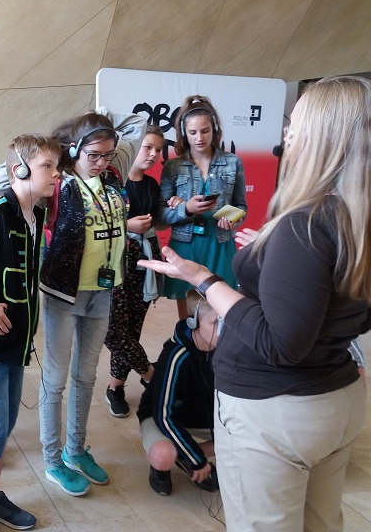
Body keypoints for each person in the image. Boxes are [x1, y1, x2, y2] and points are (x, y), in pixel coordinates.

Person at [139, 75, 371, 531]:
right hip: (334, 398)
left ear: (320, 137)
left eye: (294, 125)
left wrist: (203, 278)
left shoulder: (304, 223)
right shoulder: (354, 217)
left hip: (277, 413)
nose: (285, 135)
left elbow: (278, 343)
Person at [37, 109, 146, 497]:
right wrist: (51, 152)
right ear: (74, 150)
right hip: (64, 294)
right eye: (93, 155)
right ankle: (52, 459)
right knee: (55, 379)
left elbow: (138, 124)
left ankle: (75, 450)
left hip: (104, 290)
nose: (101, 162)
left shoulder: (112, 178)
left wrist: (104, 125)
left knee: (86, 376)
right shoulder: (58, 183)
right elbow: (3, 178)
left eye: (107, 154)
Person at [0, 135, 61, 532]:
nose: (55, 174)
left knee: (3, 427)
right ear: (19, 169)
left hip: (17, 344)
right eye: (47, 166)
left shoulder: (34, 216)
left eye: (56, 166)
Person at [157, 95, 246, 320]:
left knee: (219, 315)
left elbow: (240, 206)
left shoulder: (232, 162)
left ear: (214, 129)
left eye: (205, 131)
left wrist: (232, 219)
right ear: (183, 133)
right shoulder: (173, 167)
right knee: (188, 317)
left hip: (220, 244)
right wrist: (185, 209)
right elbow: (160, 216)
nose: (199, 138)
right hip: (185, 246)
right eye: (193, 132)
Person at [103, 126, 165, 417]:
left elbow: (160, 220)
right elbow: (95, 220)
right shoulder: (111, 181)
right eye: (147, 147)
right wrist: (125, 225)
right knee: (113, 331)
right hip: (115, 260)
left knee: (132, 329)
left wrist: (177, 206)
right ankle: (151, 376)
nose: (152, 154)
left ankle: (115, 387)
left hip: (145, 259)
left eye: (158, 150)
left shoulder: (152, 184)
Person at [137, 289, 219, 496]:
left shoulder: (224, 348)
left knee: (248, 435)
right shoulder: (177, 356)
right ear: (193, 323)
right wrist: (198, 461)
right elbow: (164, 416)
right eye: (215, 323)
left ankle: (184, 454)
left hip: (202, 418)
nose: (223, 330)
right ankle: (166, 464)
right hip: (161, 417)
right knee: (164, 453)